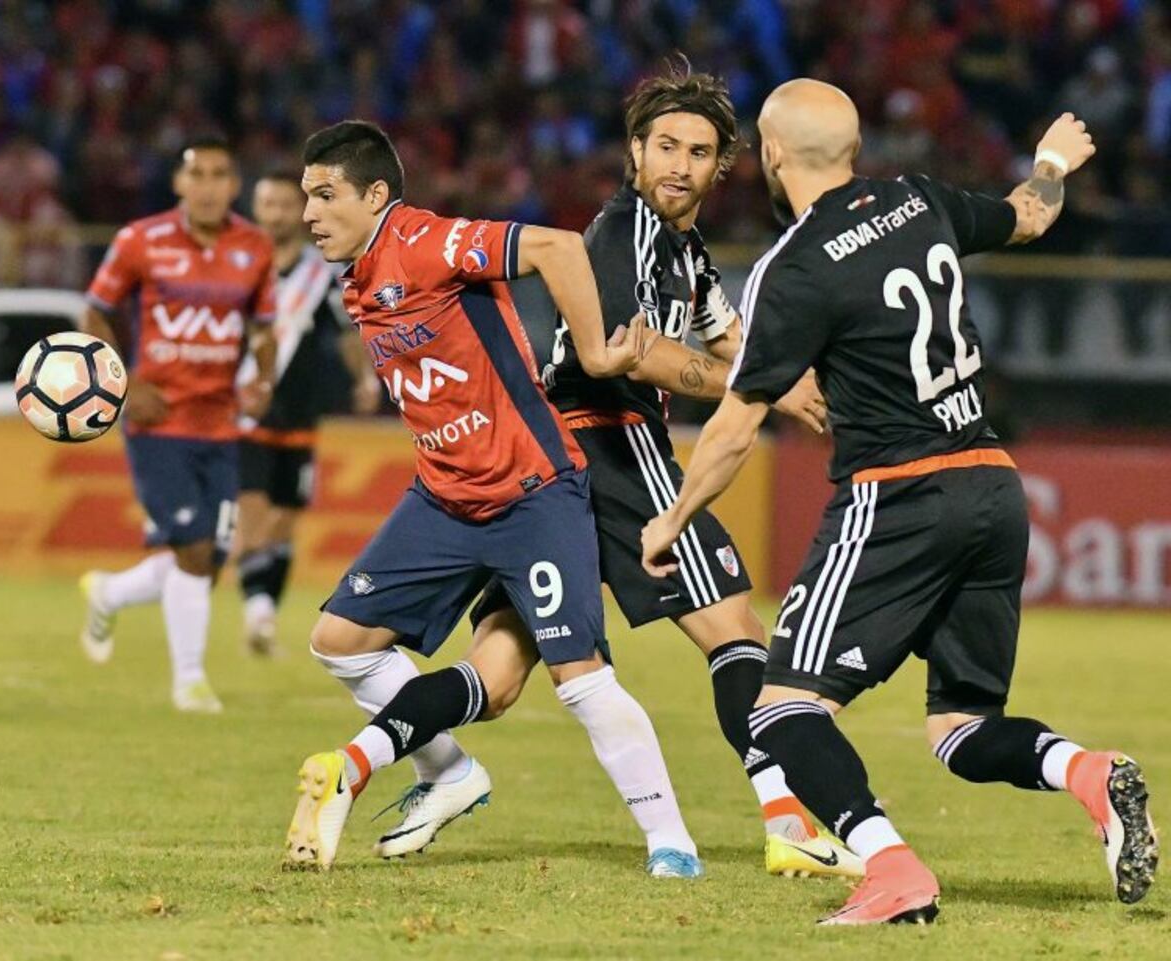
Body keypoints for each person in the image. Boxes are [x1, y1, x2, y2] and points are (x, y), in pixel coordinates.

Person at [642, 80, 1158, 924]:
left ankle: (891, 867)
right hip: (994, 482)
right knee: (961, 728)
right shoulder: (918, 200)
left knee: (780, 712)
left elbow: (737, 426)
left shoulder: (795, 265)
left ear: (771, 155)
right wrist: (1053, 162)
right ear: (851, 150)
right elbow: (1029, 214)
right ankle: (1087, 771)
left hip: (899, 496)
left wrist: (674, 515)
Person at [469, 61, 861, 880]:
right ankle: (787, 818)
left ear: (722, 166)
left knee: (498, 673)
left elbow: (727, 334)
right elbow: (631, 358)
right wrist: (772, 391)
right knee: (737, 633)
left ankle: (374, 757)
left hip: (554, 465)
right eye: (666, 147)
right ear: (634, 151)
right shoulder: (624, 236)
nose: (679, 165)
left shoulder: (681, 248)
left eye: (699, 151)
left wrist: (802, 374)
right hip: (611, 443)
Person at [284, 120, 705, 878]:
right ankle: (447, 772)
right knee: (339, 641)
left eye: (324, 195)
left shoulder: (424, 242)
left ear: (375, 195)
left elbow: (557, 247)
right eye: (304, 196)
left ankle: (671, 841)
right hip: (444, 497)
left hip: (531, 492)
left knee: (577, 680)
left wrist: (599, 349)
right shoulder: (356, 272)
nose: (308, 212)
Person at [78, 136, 277, 713]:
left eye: (221, 174)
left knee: (208, 561)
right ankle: (189, 681)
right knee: (192, 550)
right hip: (157, 420)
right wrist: (122, 383)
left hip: (220, 423)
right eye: (199, 174)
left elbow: (263, 327)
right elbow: (95, 309)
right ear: (179, 183)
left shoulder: (255, 247)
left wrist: (261, 379)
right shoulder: (140, 240)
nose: (210, 186)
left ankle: (108, 592)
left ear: (234, 186)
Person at [235, 171, 379, 657]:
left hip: (301, 414)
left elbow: (344, 332)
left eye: (282, 204)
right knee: (251, 526)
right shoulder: (239, 268)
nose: (274, 213)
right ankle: (256, 610)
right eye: (266, 204)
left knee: (284, 524)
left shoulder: (319, 274)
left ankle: (262, 611)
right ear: (256, 209)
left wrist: (364, 378)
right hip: (247, 414)